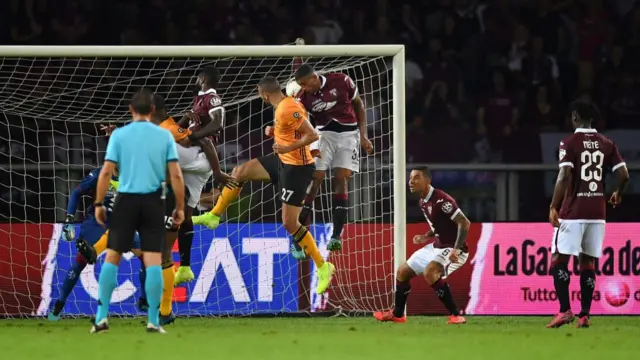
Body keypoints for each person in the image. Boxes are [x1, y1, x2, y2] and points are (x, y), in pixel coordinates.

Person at [198, 76, 335, 294]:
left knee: (290, 223)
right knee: (240, 172)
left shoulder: (287, 107)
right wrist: (276, 132)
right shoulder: (283, 106)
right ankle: (214, 215)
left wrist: (287, 147)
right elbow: (294, 130)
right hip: (282, 161)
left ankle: (323, 266)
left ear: (264, 95)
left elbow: (311, 135)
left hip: (296, 168)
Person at [90, 89, 185, 334]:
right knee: (154, 259)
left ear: (131, 110)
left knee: (113, 256)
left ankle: (101, 317)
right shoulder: (164, 136)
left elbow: (106, 172)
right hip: (154, 201)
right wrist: (180, 207)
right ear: (152, 111)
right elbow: (175, 174)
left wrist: (99, 203)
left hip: (126, 200)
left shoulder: (119, 135)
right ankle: (154, 320)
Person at [153, 94, 235, 324]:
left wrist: (219, 173)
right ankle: (186, 268)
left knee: (162, 253)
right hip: (197, 171)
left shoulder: (165, 134)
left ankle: (163, 309)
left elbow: (206, 141)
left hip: (201, 164)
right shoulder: (168, 129)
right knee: (186, 216)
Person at [546, 101, 629, 328]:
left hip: (574, 211)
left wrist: (554, 205)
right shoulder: (606, 143)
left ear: (575, 117)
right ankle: (584, 315)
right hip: (598, 212)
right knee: (587, 263)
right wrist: (618, 194)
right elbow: (624, 175)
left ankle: (564, 311)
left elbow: (564, 176)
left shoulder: (569, 142)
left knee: (558, 261)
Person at [289, 64, 374, 254]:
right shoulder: (302, 97)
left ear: (314, 77)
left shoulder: (342, 81)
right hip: (322, 135)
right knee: (315, 179)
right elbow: (298, 121)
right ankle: (297, 237)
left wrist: (363, 135)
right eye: (300, 85)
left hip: (349, 135)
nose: (304, 88)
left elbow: (359, 104)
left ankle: (336, 236)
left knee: (341, 179)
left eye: (305, 84)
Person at [373, 166, 470, 325]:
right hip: (437, 246)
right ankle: (398, 315)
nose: (411, 181)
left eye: (416, 177)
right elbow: (438, 225)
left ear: (427, 181)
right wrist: (426, 236)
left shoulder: (442, 200)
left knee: (430, 272)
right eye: (410, 178)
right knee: (402, 272)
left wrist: (456, 249)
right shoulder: (423, 201)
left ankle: (456, 315)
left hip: (454, 249)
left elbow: (464, 223)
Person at [48, 165, 143, 321]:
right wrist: (69, 220)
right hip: (97, 224)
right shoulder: (100, 174)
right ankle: (59, 304)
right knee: (81, 261)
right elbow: (77, 192)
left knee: (148, 258)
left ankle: (147, 302)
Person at [176, 66, 234, 285]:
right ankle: (185, 267)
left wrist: (191, 136)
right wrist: (186, 123)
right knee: (185, 214)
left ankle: (121, 182)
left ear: (201, 78)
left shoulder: (212, 97)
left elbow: (217, 124)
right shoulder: (198, 101)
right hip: (200, 162)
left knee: (159, 147)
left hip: (200, 156)